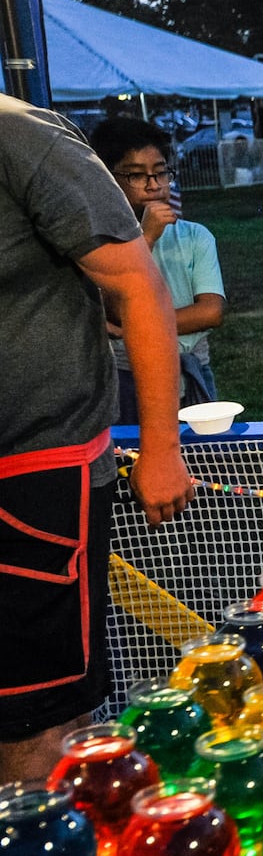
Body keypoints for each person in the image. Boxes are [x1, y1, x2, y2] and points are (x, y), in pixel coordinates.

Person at [0, 94, 192, 783]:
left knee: (36, 716)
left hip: (35, 474)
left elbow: (140, 287)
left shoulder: (19, 136)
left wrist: (163, 448)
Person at [89, 117, 226, 420]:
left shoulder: (195, 236)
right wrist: (146, 238)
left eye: (161, 173)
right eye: (137, 176)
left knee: (202, 459)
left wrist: (131, 327)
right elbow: (114, 309)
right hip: (128, 373)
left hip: (191, 367)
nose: (153, 185)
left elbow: (211, 311)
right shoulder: (101, 242)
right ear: (109, 180)